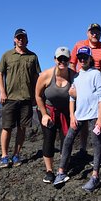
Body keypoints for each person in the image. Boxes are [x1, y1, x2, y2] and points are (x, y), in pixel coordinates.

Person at [53, 46, 101, 192]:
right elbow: (72, 97)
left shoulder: (96, 74)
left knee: (96, 143)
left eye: (85, 57)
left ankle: (95, 175)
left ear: (90, 58)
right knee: (68, 140)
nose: (82, 60)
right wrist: (72, 115)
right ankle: (61, 172)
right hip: (79, 115)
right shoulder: (76, 76)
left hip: (94, 115)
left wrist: (100, 117)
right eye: (80, 57)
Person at [0, 28, 41, 168]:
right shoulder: (7, 55)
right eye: (18, 37)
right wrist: (2, 92)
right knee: (7, 127)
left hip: (26, 98)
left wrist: (36, 95)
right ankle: (4, 156)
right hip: (10, 98)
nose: (21, 39)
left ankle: (16, 154)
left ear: (27, 39)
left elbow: (36, 77)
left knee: (22, 128)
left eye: (23, 37)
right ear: (15, 39)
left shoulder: (32, 57)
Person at [35, 46, 76, 183]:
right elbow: (38, 96)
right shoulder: (46, 75)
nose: (62, 61)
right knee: (49, 138)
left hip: (66, 111)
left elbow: (80, 95)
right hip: (48, 110)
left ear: (69, 60)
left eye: (65, 59)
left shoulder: (74, 76)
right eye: (60, 59)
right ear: (55, 59)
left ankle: (62, 168)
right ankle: (49, 171)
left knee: (66, 140)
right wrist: (44, 114)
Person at [69, 23, 101, 156]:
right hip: (81, 85)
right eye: (92, 32)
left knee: (99, 121)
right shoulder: (79, 45)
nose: (94, 34)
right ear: (87, 33)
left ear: (100, 34)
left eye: (97, 32)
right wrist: (72, 83)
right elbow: (72, 64)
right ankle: (83, 148)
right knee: (81, 120)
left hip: (97, 86)